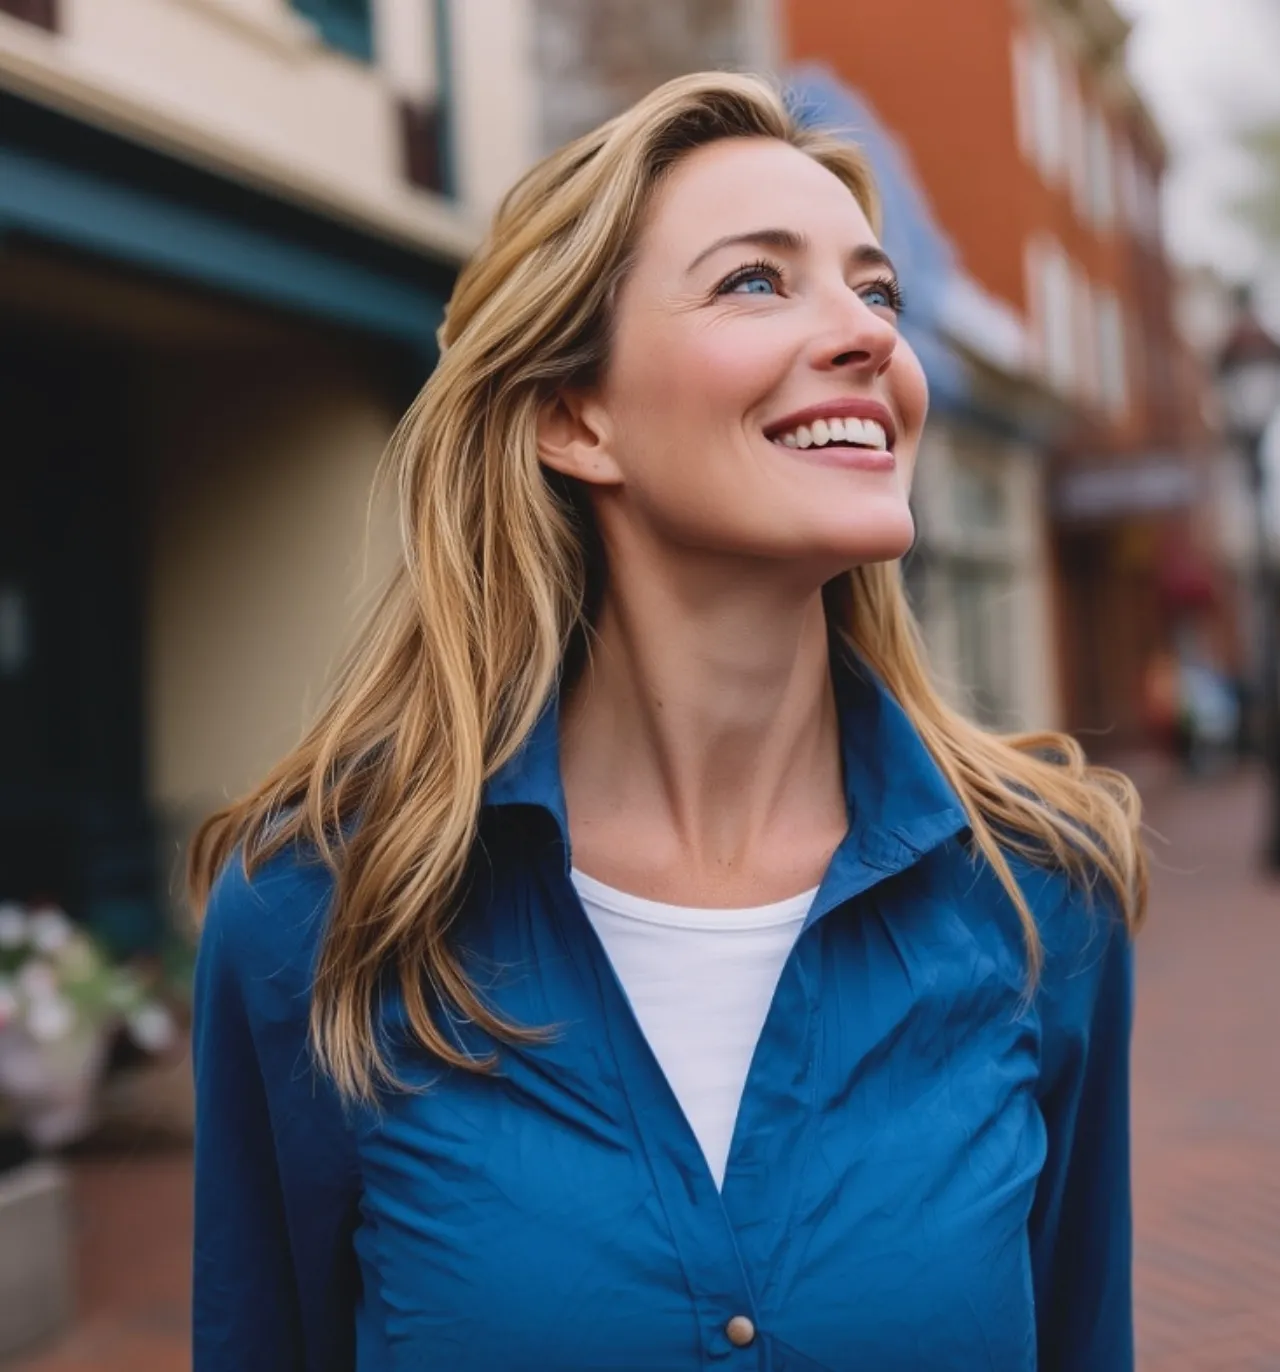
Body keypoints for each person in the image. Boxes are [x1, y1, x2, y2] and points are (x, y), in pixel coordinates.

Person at [187, 73, 1146, 1371]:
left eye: (876, 292)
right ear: (574, 416)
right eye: (757, 281)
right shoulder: (319, 912)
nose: (867, 335)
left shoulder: (1041, 895)